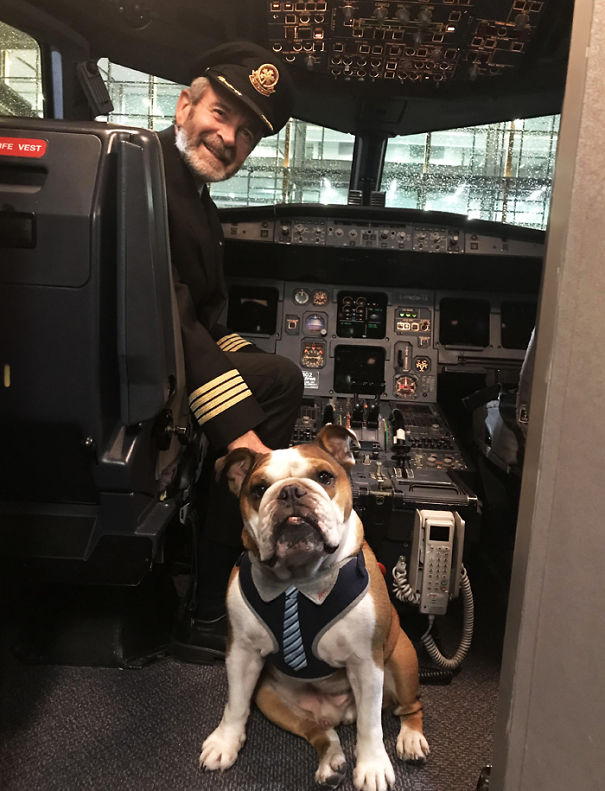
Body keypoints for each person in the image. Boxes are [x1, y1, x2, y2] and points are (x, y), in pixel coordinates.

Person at [158, 42, 304, 663]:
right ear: (186, 104)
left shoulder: (190, 192)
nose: (228, 138)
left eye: (245, 134)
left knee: (275, 375)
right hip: (150, 357)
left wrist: (253, 363)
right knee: (274, 389)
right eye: (221, 114)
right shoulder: (149, 185)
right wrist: (241, 432)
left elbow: (210, 316)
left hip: (162, 344)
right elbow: (169, 314)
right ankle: (208, 609)